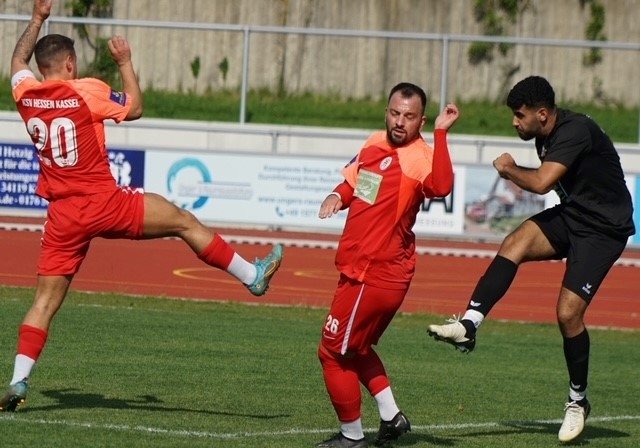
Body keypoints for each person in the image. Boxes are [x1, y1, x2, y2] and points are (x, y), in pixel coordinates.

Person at [0, 0, 283, 412]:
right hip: (103, 202)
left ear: (41, 68)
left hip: (62, 215)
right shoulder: (86, 91)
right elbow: (134, 107)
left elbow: (16, 59)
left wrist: (36, 19)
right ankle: (251, 275)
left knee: (44, 302)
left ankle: (18, 382)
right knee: (183, 221)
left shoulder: (26, 94)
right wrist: (125, 62)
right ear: (70, 63)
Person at [427, 75, 635, 443]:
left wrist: (508, 169)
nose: (514, 122)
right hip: (575, 215)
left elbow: (541, 183)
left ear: (542, 114)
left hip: (604, 230)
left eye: (519, 115)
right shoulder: (544, 134)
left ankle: (577, 401)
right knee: (516, 242)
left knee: (568, 314)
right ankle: (470, 325)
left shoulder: (575, 131)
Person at [316, 82, 460, 447]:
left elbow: (442, 187)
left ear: (421, 121)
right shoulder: (373, 143)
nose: (399, 121)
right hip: (361, 269)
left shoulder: (419, 157)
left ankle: (351, 438)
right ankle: (392, 417)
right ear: (386, 112)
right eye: (395, 113)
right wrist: (336, 196)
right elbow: (357, 186)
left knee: (332, 352)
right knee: (358, 348)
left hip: (375, 273)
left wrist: (441, 134)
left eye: (409, 116)